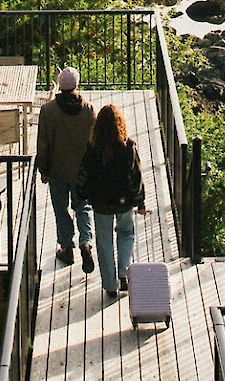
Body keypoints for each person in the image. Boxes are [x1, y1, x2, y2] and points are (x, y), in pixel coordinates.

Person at [76, 102, 147, 299]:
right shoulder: (128, 147)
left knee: (104, 241)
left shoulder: (93, 149)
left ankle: (109, 284)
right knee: (126, 234)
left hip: (100, 203)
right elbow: (136, 177)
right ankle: (124, 272)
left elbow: (83, 174)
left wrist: (81, 194)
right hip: (123, 201)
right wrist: (140, 202)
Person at [34, 66, 96, 269]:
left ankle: (66, 247)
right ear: (77, 84)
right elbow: (94, 141)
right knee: (83, 206)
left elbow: (43, 143)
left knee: (61, 209)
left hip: (58, 170)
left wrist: (43, 169)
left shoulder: (48, 110)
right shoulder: (88, 109)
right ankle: (86, 241)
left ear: (59, 86)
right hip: (83, 171)